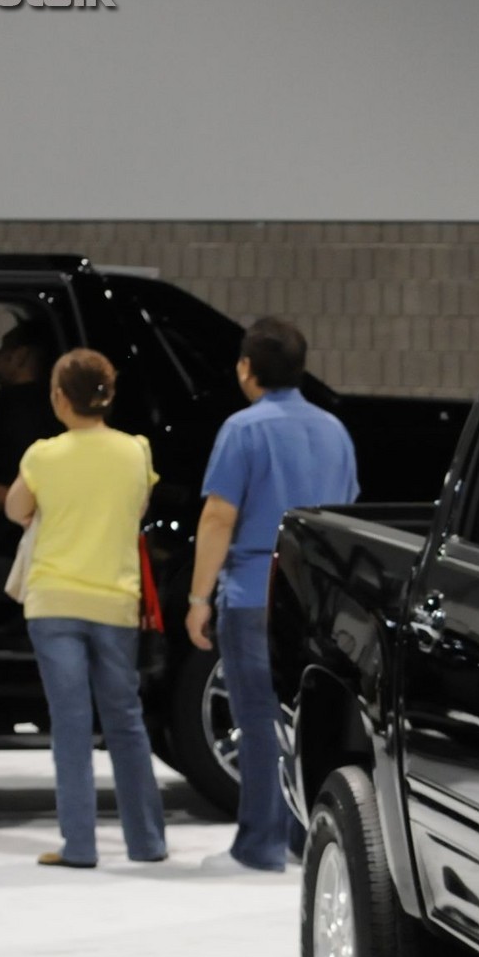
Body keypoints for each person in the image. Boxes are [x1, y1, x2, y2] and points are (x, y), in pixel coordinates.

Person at [186, 317, 356, 873]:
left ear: (245, 368)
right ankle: (298, 837)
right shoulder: (335, 430)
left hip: (256, 589)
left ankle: (256, 845)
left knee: (256, 716)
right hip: (320, 597)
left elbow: (217, 517)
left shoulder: (243, 429)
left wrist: (197, 597)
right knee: (304, 720)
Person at [4, 348, 169, 869]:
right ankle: (147, 841)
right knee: (125, 720)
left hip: (53, 603)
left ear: (58, 397)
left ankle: (79, 844)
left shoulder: (42, 456)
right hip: (116, 602)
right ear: (109, 394)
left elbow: (16, 508)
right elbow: (138, 507)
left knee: (70, 723)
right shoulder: (136, 452)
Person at [0, 321, 61, 510]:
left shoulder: (16, 407)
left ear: (20, 356)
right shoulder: (48, 401)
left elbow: (11, 485)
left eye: (4, 349)